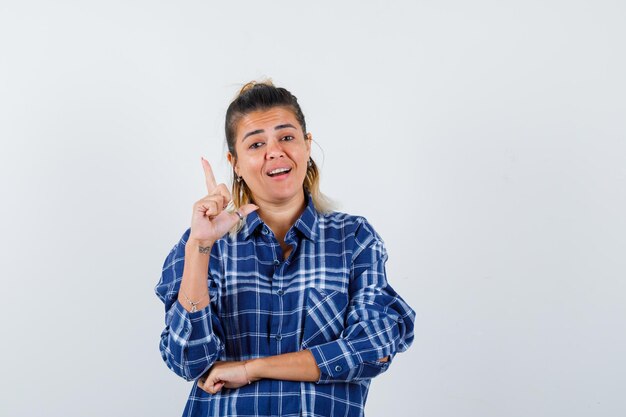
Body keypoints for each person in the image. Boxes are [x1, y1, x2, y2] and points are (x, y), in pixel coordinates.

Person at [155, 81, 416, 417]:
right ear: (235, 163)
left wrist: (252, 368)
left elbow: (373, 347)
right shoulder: (208, 246)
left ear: (307, 146)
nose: (275, 151)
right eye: (256, 143)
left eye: (287, 137)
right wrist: (200, 247)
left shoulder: (353, 238)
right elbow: (187, 360)